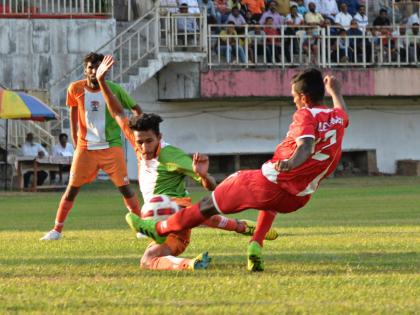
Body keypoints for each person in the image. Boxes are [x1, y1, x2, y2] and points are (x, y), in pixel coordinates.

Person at [126, 68, 349, 272]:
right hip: (298, 197)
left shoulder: (305, 114)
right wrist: (335, 91)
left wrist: (291, 162)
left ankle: (159, 228)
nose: (294, 102)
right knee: (270, 204)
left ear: (303, 98)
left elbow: (306, 145)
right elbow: (341, 110)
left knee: (207, 205)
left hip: (267, 182)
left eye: (294, 98)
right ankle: (255, 246)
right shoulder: (338, 118)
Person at [95, 56, 278, 271]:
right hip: (169, 220)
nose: (143, 147)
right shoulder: (140, 144)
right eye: (139, 142)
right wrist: (102, 82)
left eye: (149, 142)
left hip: (176, 222)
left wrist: (203, 175)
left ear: (159, 137)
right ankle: (196, 260)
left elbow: (212, 188)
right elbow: (117, 112)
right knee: (155, 252)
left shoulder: (171, 156)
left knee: (148, 255)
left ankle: (238, 229)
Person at [40, 52, 143, 241]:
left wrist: (139, 130)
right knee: (72, 188)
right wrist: (74, 138)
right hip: (85, 148)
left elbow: (136, 108)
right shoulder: (75, 89)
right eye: (91, 67)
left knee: (126, 188)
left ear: (106, 70)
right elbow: (72, 113)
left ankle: (142, 228)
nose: (95, 71)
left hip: (111, 147)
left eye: (98, 67)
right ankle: (56, 230)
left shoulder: (114, 90)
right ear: (85, 70)